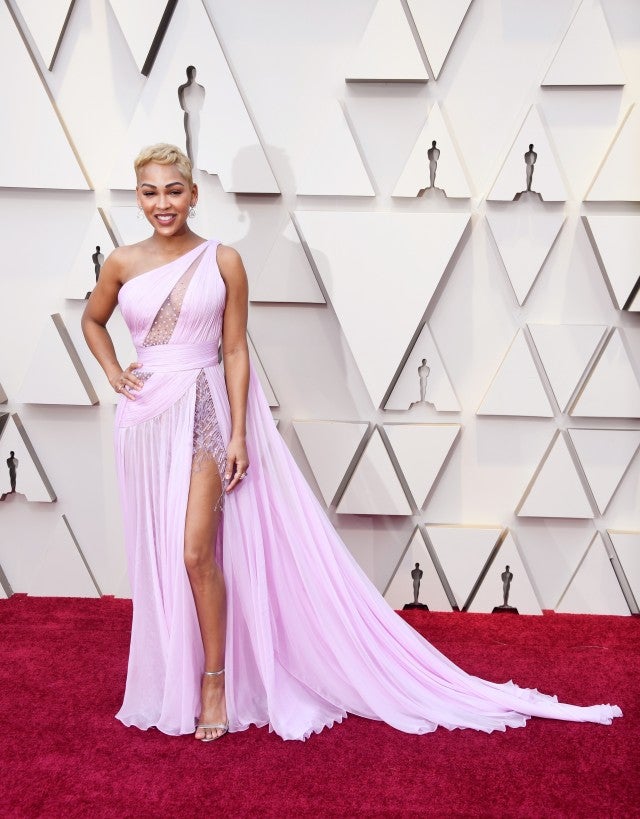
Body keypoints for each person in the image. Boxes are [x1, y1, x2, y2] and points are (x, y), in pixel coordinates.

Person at [82, 143, 621, 744]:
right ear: (138, 196)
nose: (163, 203)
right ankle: (171, 678)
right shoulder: (122, 264)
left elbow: (235, 350)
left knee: (193, 554)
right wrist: (113, 372)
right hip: (145, 423)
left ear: (194, 194)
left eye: (174, 190)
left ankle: (214, 682)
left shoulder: (223, 260)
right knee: (158, 554)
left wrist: (238, 432)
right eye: (151, 192)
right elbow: (92, 320)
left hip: (206, 412)